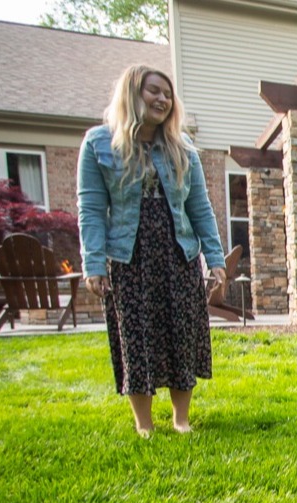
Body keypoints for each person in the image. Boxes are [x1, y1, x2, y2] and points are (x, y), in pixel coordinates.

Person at [77, 64, 227, 437]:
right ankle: (144, 423)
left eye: (168, 94)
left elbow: (200, 209)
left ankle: (181, 418)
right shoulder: (99, 143)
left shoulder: (182, 150)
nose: (162, 99)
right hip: (129, 256)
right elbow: (91, 209)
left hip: (179, 253)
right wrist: (93, 263)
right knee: (136, 335)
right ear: (132, 93)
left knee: (182, 331)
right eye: (153, 91)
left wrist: (215, 259)